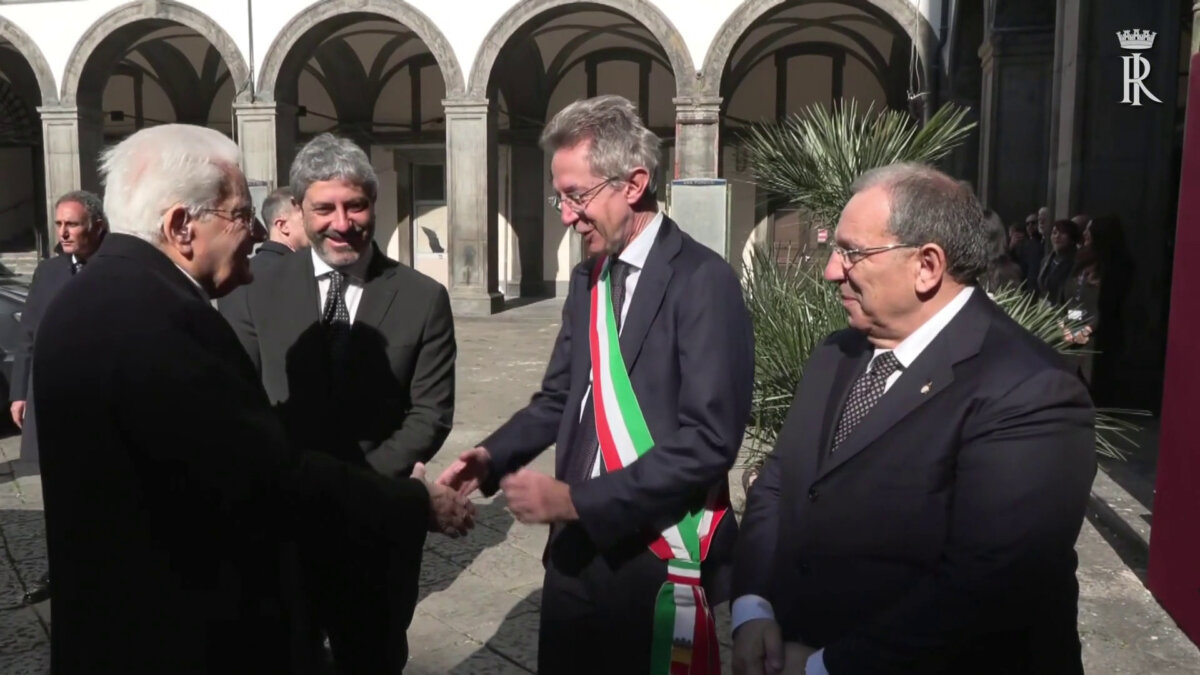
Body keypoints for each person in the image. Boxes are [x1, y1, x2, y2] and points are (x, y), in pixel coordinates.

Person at [32, 124, 473, 673]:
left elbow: (428, 410)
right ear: (180, 226)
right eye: (242, 215)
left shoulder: (95, 298)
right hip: (168, 633)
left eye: (355, 205)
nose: (260, 231)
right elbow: (262, 469)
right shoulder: (161, 322)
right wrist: (414, 502)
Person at [732, 163, 1096, 675]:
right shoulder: (836, 353)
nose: (831, 270)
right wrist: (753, 608)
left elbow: (989, 587)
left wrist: (824, 667)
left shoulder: (1031, 390)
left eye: (852, 253)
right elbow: (779, 483)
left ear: (927, 265)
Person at [438, 95, 754, 674]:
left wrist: (577, 501)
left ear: (633, 185)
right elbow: (560, 397)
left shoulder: (704, 281)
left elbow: (709, 441)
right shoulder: (590, 277)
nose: (565, 215)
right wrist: (490, 457)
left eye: (576, 196)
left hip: (654, 561)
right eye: (558, 197)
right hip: (573, 557)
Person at [220, 132, 457, 673]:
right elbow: (241, 404)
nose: (342, 223)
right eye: (324, 208)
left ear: (375, 203)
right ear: (299, 211)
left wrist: (357, 487)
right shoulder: (253, 290)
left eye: (355, 206)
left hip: (377, 529)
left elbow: (430, 413)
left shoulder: (422, 297)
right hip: (282, 526)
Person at [9, 190, 106, 606]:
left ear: (96, 226)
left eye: (73, 225)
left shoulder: (114, 268)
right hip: (52, 399)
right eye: (59, 224)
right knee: (57, 491)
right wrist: (18, 392)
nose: (63, 233)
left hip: (101, 402)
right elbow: (28, 335)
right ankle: (61, 567)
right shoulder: (48, 272)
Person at [1037, 219, 1082, 304]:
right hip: (1045, 308)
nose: (1057, 236)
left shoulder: (1078, 263)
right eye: (1054, 233)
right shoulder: (1046, 261)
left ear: (1072, 238)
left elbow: (1076, 295)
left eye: (1063, 233)